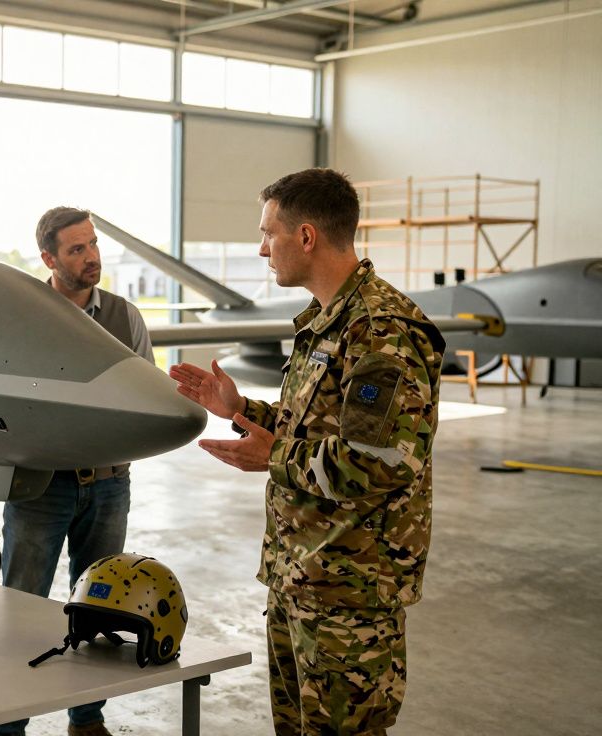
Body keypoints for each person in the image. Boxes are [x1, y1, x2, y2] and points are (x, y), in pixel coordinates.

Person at [168, 168, 444, 735]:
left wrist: (272, 456)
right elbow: (317, 429)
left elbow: (378, 464)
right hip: (302, 577)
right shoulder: (327, 323)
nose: (261, 247)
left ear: (308, 236)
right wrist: (242, 408)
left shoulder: (381, 331)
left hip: (351, 593)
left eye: (269, 232)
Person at [0, 206, 155, 736]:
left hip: (109, 486)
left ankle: (87, 720)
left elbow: (147, 398)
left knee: (98, 611)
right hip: (40, 488)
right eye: (76, 249)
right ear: (49, 258)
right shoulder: (19, 318)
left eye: (93, 245)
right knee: (20, 611)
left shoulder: (126, 318)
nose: (91, 258)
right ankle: (8, 728)